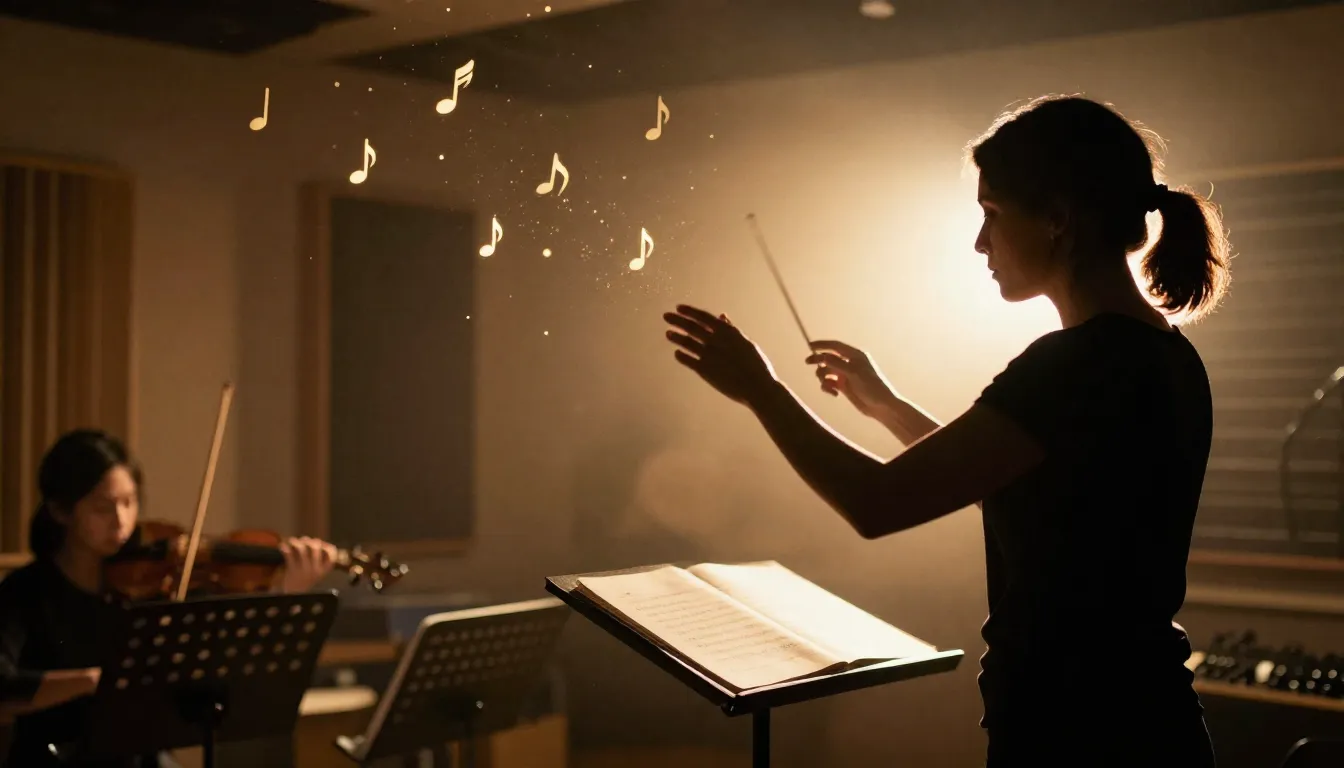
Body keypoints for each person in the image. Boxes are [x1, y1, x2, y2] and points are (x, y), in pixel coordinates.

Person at [662, 95, 1229, 766]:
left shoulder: (1074, 365)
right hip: (1141, 720)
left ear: (1057, 218)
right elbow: (1024, 484)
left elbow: (876, 502)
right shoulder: (1159, 351)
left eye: (992, 213)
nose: (980, 242)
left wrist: (762, 389)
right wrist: (886, 406)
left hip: (1078, 735)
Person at [0, 429, 338, 767]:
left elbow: (222, 659)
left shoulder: (149, 586)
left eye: (129, 502)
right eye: (103, 508)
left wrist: (288, 591)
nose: (121, 521)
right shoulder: (25, 592)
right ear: (60, 511)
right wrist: (94, 680)